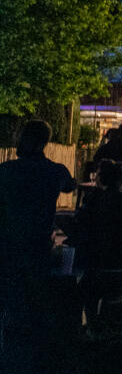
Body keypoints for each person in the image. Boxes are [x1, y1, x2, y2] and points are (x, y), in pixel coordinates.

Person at [0, 120, 78, 347]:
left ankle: (15, 326)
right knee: (37, 282)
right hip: (39, 239)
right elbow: (70, 185)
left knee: (12, 283)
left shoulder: (7, 171)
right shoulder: (54, 171)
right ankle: (35, 328)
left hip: (9, 237)